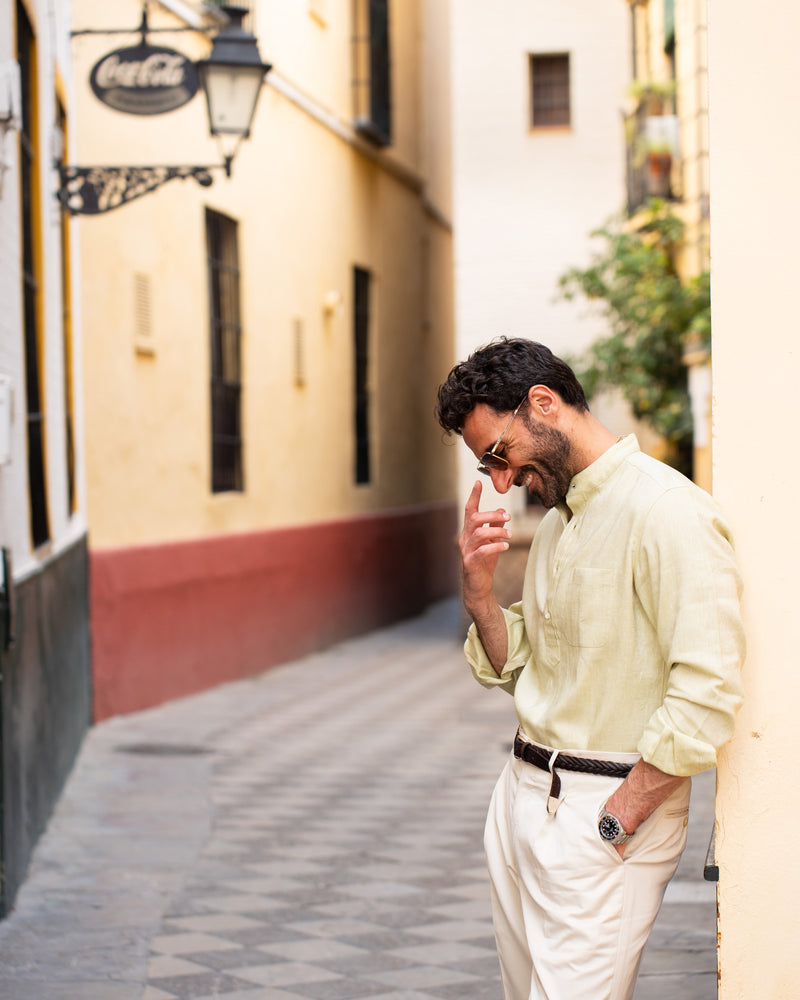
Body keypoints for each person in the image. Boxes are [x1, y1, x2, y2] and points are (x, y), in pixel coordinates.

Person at [435, 338, 744, 1000]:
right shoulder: (560, 520)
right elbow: (520, 668)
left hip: (600, 813)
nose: (500, 482)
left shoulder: (667, 510)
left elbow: (709, 688)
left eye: (498, 454)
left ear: (542, 403)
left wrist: (617, 818)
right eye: (487, 466)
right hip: (521, 797)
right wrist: (480, 597)